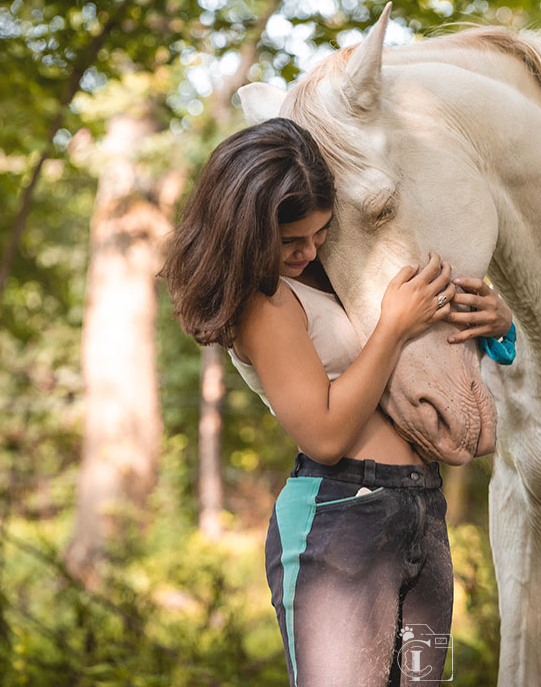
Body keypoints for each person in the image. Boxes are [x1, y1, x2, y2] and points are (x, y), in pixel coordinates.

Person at [160, 117, 514, 686]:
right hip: (341, 517)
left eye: (319, 233)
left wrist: (497, 327)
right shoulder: (263, 303)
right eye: (291, 240)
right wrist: (393, 329)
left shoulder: (331, 271)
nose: (308, 250)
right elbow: (323, 434)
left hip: (423, 510)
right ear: (245, 229)